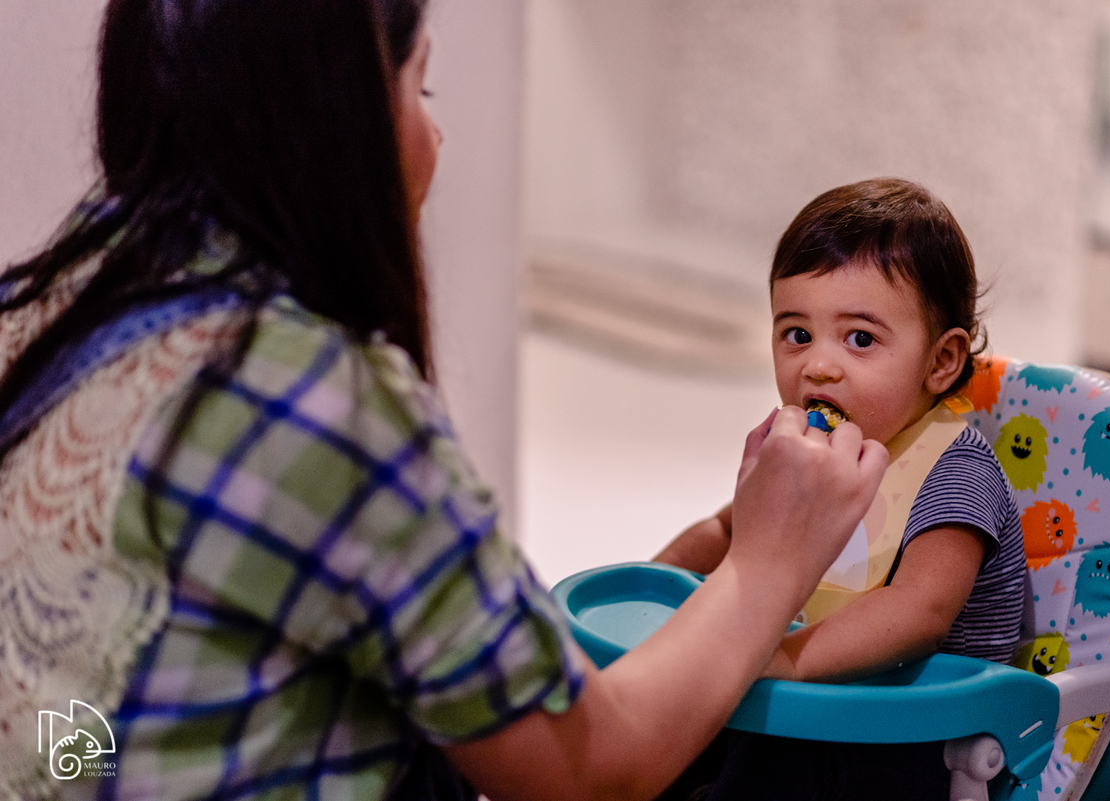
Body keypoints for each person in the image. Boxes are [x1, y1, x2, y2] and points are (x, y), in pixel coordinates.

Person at [0, 2, 888, 800]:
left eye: (862, 337)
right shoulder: (315, 402)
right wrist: (768, 564)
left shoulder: (54, 298)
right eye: (420, 87)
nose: (436, 134)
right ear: (336, 120)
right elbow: (590, 769)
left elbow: (77, 724)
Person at [655, 178, 1026, 799]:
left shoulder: (955, 471)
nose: (817, 365)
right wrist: (657, 587)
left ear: (941, 362)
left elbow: (920, 612)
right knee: (665, 743)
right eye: (796, 333)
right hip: (813, 712)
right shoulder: (809, 453)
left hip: (915, 737)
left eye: (860, 338)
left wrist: (783, 659)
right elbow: (726, 531)